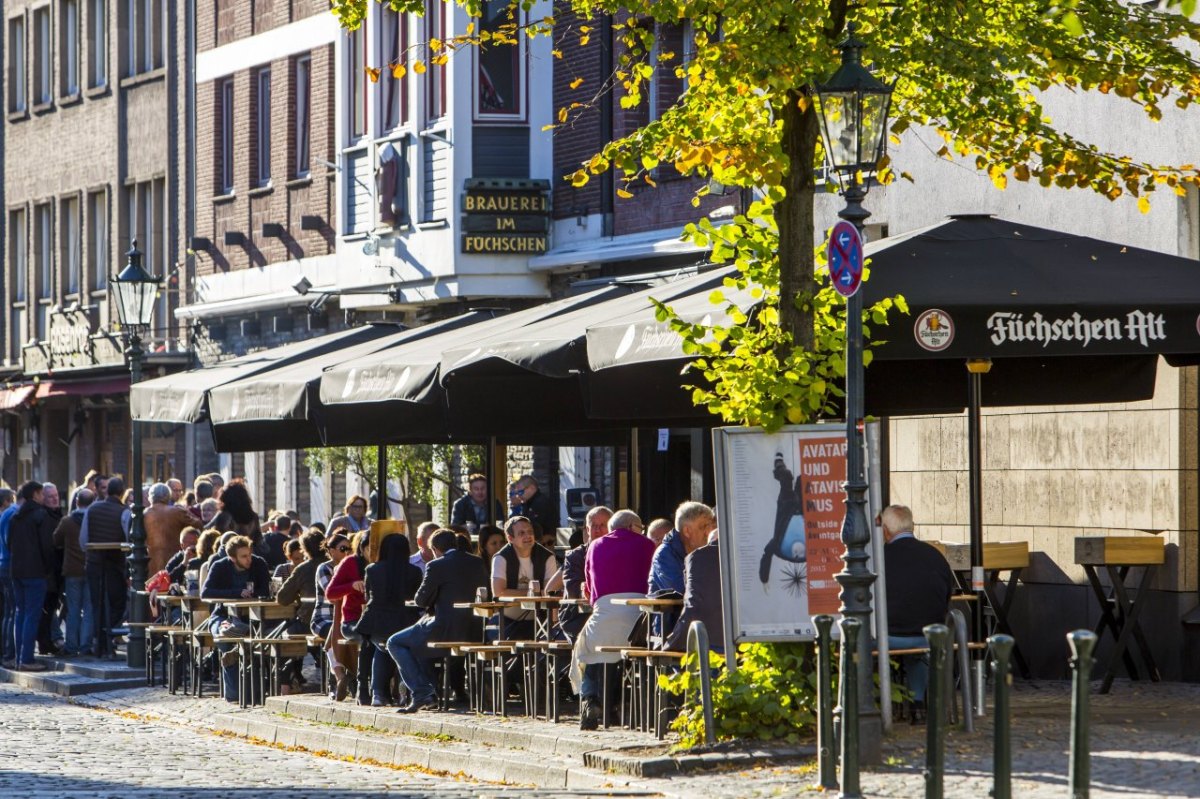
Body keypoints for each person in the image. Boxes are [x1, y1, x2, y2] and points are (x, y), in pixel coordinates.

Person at [387, 529, 488, 713]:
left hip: (444, 629)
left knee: (394, 642)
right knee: (416, 640)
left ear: (435, 549)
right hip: (475, 629)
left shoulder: (436, 565)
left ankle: (423, 692)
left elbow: (421, 600)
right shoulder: (477, 562)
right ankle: (427, 692)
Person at [573, 509, 656, 729]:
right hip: (640, 623)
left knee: (585, 649)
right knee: (612, 648)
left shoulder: (595, 546)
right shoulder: (648, 545)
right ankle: (618, 704)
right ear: (631, 527)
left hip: (606, 617)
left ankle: (590, 700)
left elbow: (590, 595)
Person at [881, 505, 954, 720]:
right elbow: (948, 595)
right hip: (929, 637)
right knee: (918, 648)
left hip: (888, 638)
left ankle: (877, 704)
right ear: (912, 526)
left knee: (860, 643)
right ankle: (918, 705)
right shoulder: (935, 556)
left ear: (885, 530)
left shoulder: (878, 558)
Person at [200, 535, 271, 702]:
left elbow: (267, 591)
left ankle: (251, 690)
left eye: (249, 554)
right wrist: (236, 593)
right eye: (243, 556)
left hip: (251, 618)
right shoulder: (220, 566)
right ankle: (234, 694)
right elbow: (206, 593)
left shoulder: (258, 563)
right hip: (223, 615)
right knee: (225, 637)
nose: (249, 559)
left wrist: (253, 595)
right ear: (232, 558)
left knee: (257, 637)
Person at [357, 534, 422, 706]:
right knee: (401, 649)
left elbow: (367, 596)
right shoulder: (414, 572)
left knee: (382, 648)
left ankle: (377, 693)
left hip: (377, 623)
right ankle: (403, 691)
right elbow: (418, 599)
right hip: (405, 621)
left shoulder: (372, 570)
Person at [8, 481, 56, 671]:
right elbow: (47, 546)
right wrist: (48, 568)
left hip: (16, 571)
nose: (44, 497)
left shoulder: (15, 516)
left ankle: (20, 657)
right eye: (42, 493)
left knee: (20, 613)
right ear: (36, 494)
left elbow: (9, 542)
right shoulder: (40, 515)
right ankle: (26, 658)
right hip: (35, 571)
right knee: (31, 614)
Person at [80, 477, 130, 656]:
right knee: (118, 602)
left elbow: (83, 539)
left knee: (97, 603)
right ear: (122, 492)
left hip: (94, 563)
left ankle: (100, 640)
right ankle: (105, 636)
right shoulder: (124, 511)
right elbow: (128, 538)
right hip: (114, 564)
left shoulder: (92, 509)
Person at [547, 505, 611, 642]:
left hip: (610, 615)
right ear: (587, 530)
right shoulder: (575, 556)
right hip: (577, 617)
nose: (598, 530)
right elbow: (573, 590)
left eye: (603, 525)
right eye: (594, 526)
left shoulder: (618, 554)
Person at [491, 516, 557, 640]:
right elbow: (499, 592)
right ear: (510, 538)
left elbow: (550, 592)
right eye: (521, 533)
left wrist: (554, 623)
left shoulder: (547, 557)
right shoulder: (500, 558)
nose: (528, 536)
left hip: (540, 621)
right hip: (508, 622)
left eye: (530, 532)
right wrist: (533, 593)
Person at [325, 531, 371, 704]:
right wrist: (351, 586)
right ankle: (362, 686)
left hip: (376, 619)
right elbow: (330, 593)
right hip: (353, 619)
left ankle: (384, 689)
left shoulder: (384, 564)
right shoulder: (351, 563)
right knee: (368, 638)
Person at [664, 524, 724, 653]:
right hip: (738, 640)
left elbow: (687, 592)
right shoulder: (743, 557)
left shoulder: (696, 557)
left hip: (699, 635)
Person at [53, 489, 95, 657]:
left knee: (73, 609)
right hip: (91, 568)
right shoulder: (94, 520)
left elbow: (55, 540)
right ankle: (85, 645)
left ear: (77, 502)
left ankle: (71, 645)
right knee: (89, 610)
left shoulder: (67, 521)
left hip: (72, 570)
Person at [649, 502, 715, 595]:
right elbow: (683, 591)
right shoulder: (665, 554)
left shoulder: (710, 550)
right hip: (672, 609)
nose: (708, 532)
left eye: (711, 527)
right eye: (703, 527)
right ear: (687, 531)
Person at [144, 482, 200, 577]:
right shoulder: (177, 511)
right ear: (168, 496)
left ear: (150, 497)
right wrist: (186, 510)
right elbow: (198, 524)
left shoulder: (144, 514)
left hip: (151, 566)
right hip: (174, 563)